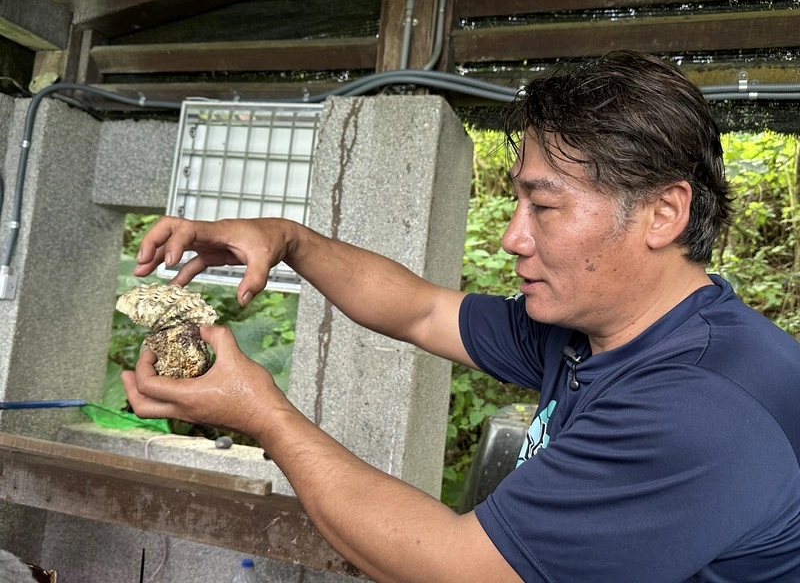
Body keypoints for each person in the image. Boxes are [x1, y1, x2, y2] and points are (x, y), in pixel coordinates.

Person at [123, 50, 800, 582]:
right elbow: (420, 311)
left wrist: (263, 412)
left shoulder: (704, 405)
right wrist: (290, 240)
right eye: (517, 203)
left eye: (545, 205)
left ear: (663, 213)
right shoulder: (599, 328)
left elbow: (458, 566)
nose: (512, 237)